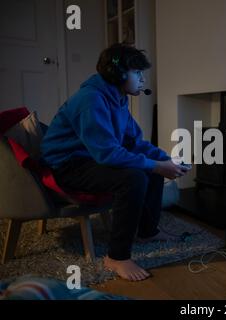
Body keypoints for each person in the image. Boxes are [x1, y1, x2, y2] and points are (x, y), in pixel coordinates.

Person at [40, 43, 188, 281]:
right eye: (137, 73)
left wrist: (165, 159)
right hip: (67, 165)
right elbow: (107, 154)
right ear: (119, 73)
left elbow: (134, 142)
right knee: (133, 177)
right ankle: (116, 257)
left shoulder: (117, 98)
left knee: (149, 166)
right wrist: (156, 165)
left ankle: (147, 232)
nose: (142, 79)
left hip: (90, 157)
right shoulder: (91, 100)